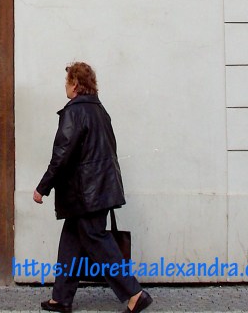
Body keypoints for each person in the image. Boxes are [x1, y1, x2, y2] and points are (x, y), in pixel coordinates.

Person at [34, 63, 152, 313]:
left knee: (96, 239)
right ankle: (61, 298)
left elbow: (62, 155)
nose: (65, 86)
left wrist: (43, 187)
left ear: (75, 84)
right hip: (97, 189)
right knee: (71, 240)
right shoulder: (100, 111)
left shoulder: (74, 112)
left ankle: (135, 293)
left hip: (85, 193)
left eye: (67, 81)